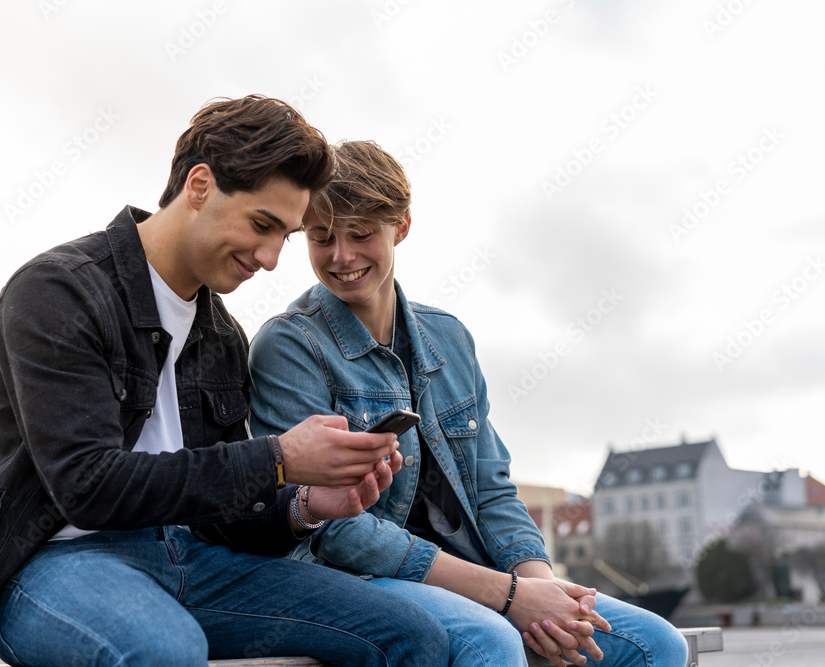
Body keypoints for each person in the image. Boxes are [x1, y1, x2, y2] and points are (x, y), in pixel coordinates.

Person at [0, 100, 450, 667]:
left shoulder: (223, 336)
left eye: (286, 235)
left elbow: (223, 516)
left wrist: (305, 506)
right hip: (52, 566)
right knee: (162, 651)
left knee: (413, 635)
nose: (272, 258)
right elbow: (87, 486)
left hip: (192, 561)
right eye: (262, 225)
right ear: (200, 185)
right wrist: (278, 458)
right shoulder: (58, 293)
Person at [248, 140, 691, 667]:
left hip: (483, 573)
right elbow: (336, 531)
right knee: (491, 641)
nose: (341, 256)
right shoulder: (289, 347)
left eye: (362, 234)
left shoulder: (449, 338)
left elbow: (491, 489)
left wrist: (540, 591)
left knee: (659, 644)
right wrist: (506, 597)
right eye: (321, 238)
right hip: (357, 581)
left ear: (402, 227)